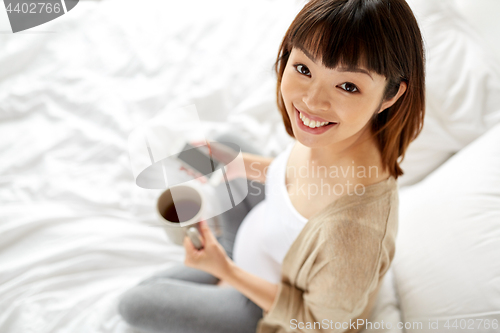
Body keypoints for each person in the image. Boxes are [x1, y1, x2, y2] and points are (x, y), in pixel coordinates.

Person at [117, 0, 425, 332]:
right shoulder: (337, 137)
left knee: (134, 304)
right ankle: (220, 251)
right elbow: (293, 178)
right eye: (304, 69)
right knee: (225, 142)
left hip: (263, 303)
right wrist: (236, 164)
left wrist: (227, 272)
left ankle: (218, 260)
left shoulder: (354, 234)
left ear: (391, 95)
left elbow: (315, 323)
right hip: (261, 236)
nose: (311, 101)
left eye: (348, 86)